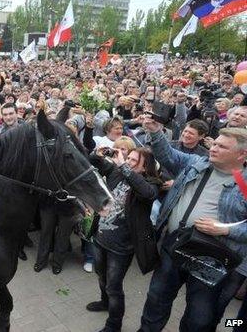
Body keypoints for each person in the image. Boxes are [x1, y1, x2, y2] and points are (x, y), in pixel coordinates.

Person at [139, 117, 247, 332]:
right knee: (156, 298)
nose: (213, 148)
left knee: (199, 317)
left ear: (241, 155)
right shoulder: (197, 163)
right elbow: (167, 155)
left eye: (221, 146)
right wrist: (155, 131)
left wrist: (226, 229)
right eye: (214, 143)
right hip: (175, 244)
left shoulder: (243, 183)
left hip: (212, 257)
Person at [86, 147, 161, 332]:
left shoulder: (151, 183)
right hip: (100, 237)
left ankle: (114, 325)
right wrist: (98, 153)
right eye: (129, 158)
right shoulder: (117, 172)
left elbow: (147, 193)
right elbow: (93, 161)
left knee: (114, 287)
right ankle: (105, 303)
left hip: (121, 247)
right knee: (101, 277)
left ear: (145, 167)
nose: (128, 162)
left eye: (134, 161)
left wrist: (124, 167)